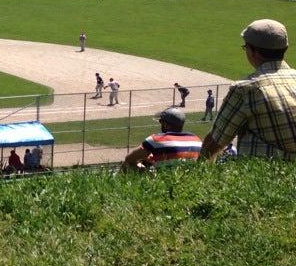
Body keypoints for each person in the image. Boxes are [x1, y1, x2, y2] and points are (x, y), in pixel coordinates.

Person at [200, 19, 296, 161]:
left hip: (266, 176)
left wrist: (198, 173)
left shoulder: (246, 89)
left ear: (253, 52)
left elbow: (216, 140)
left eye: (246, 47)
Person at [121, 107, 201, 171]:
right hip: (191, 179)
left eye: (161, 122)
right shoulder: (197, 140)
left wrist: (145, 164)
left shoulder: (156, 139)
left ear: (166, 125)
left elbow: (129, 159)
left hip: (165, 181)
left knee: (127, 164)